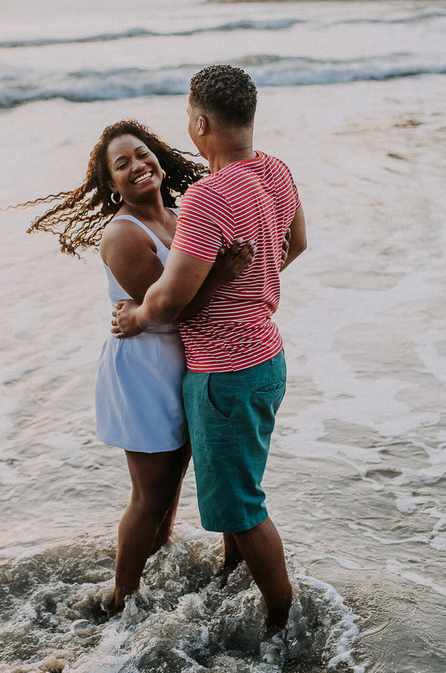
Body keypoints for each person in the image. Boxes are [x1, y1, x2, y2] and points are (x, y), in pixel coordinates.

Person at [22, 119, 252, 615]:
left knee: (175, 487)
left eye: (142, 154)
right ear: (112, 184)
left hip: (189, 360)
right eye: (122, 164)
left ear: (159, 158)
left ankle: (166, 561)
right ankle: (120, 599)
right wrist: (223, 274)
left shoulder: (179, 215)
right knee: (151, 495)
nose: (138, 166)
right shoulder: (123, 235)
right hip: (146, 371)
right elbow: (172, 308)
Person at [112, 65, 307, 635]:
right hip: (267, 357)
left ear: (200, 123)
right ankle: (232, 575)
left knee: (241, 507)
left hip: (224, 372)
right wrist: (253, 285)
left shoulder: (206, 197)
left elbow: (167, 302)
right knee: (239, 492)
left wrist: (134, 316)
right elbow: (296, 242)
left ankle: (281, 623)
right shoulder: (275, 169)